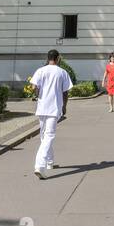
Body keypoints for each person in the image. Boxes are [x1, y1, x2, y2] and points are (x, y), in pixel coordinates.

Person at [30, 49, 73, 179]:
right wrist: (64, 106)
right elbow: (65, 92)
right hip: (54, 107)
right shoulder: (62, 72)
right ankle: (39, 165)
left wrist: (39, 95)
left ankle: (49, 161)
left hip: (42, 107)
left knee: (44, 135)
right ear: (58, 58)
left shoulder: (40, 70)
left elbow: (34, 88)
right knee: (49, 135)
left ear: (47, 58)